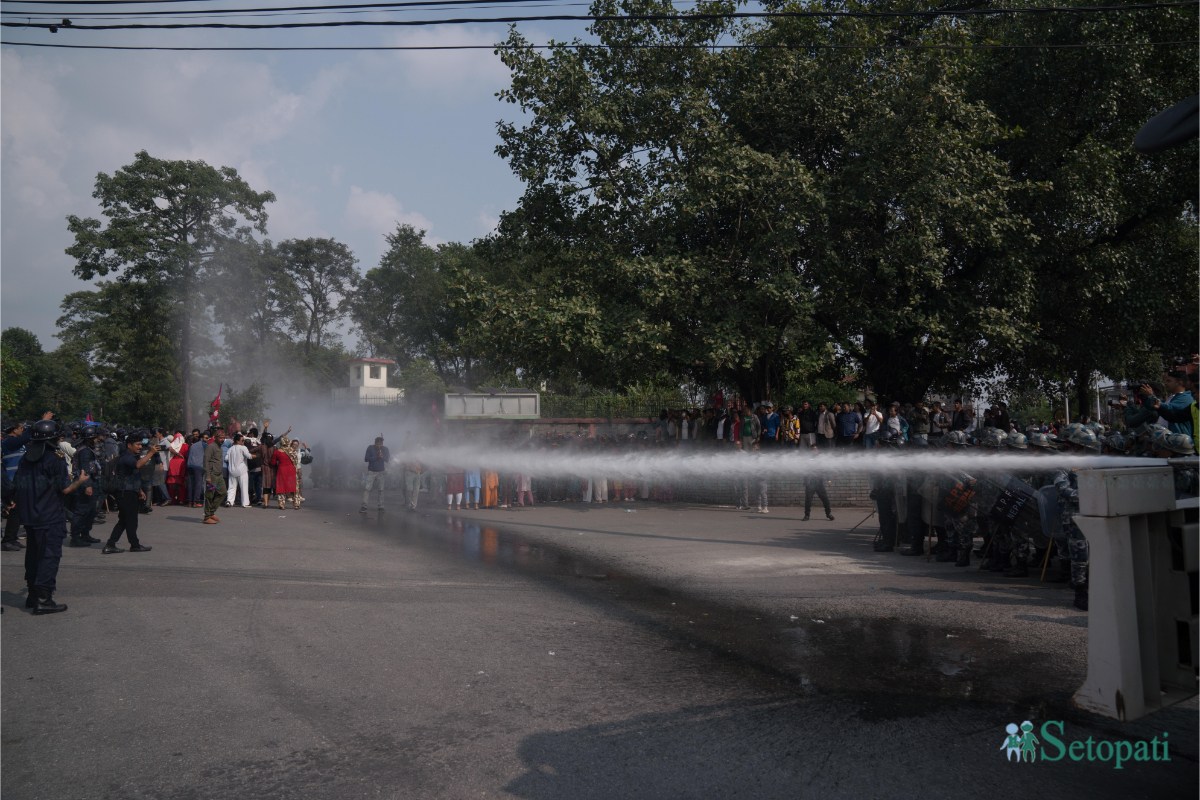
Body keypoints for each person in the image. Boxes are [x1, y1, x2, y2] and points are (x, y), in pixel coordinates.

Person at [14, 419, 92, 614]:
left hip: (30, 516)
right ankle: (43, 599)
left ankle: (33, 596)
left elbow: (17, 486)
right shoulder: (55, 459)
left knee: (33, 556)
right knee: (49, 557)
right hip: (49, 516)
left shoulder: (25, 459)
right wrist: (80, 481)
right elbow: (65, 489)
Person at [102, 431, 156, 554]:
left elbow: (132, 475)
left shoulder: (130, 456)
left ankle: (125, 544)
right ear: (129, 445)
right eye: (137, 444)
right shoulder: (126, 457)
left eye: (141, 445)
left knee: (126, 520)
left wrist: (139, 490)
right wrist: (151, 453)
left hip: (130, 492)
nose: (140, 447)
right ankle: (124, 544)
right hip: (124, 493)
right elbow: (137, 465)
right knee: (129, 520)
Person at [801, 445, 834, 521]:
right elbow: (804, 470)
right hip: (810, 482)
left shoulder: (821, 459)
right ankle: (807, 515)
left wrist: (829, 480)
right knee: (808, 500)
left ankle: (829, 514)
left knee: (825, 499)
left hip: (819, 482)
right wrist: (805, 481)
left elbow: (825, 469)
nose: (814, 451)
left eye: (816, 449)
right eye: (813, 449)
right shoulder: (807, 459)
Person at [203, 428, 226, 524]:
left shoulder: (219, 447)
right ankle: (207, 516)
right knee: (210, 495)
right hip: (212, 476)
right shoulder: (211, 446)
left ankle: (211, 512)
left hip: (219, 476)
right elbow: (206, 461)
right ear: (215, 437)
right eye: (221, 438)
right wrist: (208, 476)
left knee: (223, 493)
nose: (223, 439)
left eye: (224, 438)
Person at [223, 432, 252, 508]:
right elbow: (249, 456)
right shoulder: (243, 448)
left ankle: (229, 501)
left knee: (231, 487)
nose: (243, 442)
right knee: (244, 487)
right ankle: (245, 503)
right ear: (237, 441)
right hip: (242, 470)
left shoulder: (230, 449)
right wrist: (255, 455)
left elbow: (226, 458)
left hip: (232, 470)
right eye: (242, 440)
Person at [362, 436, 389, 512]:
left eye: (381, 444)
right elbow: (366, 459)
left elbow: (387, 459)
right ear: (375, 443)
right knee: (367, 489)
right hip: (371, 471)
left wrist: (382, 457)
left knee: (381, 490)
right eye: (378, 444)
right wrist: (376, 457)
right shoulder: (370, 448)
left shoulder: (385, 449)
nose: (379, 445)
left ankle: (381, 506)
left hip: (381, 472)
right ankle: (364, 506)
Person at [272, 436, 299, 510]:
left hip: (281, 470)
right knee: (294, 487)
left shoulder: (277, 452)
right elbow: (296, 461)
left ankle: (281, 504)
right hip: (291, 470)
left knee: (281, 487)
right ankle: (296, 504)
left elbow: (273, 463)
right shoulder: (292, 451)